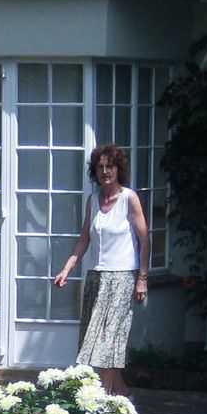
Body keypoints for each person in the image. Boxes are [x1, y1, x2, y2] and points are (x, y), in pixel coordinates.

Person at [53, 143, 149, 396]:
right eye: (100, 167)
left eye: (110, 166)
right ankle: (122, 392)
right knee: (96, 339)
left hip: (122, 277)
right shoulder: (93, 201)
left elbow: (145, 240)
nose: (105, 171)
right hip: (96, 277)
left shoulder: (129, 198)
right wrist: (66, 269)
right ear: (94, 171)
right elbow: (84, 239)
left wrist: (142, 279)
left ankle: (102, 399)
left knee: (108, 341)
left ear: (118, 169)